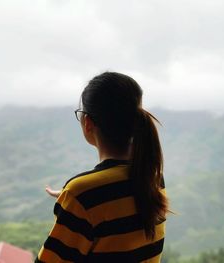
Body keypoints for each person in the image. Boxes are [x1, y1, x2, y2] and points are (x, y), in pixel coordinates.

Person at [36, 72, 169, 262]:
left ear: (88, 123)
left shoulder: (82, 194)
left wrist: (77, 199)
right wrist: (77, 200)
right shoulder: (153, 178)